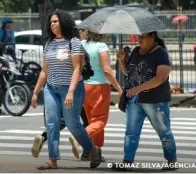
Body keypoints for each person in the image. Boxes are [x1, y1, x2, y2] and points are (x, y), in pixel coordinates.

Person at [31, 9, 102, 170]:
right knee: (51, 123)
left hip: (72, 89)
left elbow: (77, 69)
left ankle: (92, 149)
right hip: (51, 88)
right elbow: (44, 71)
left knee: (73, 124)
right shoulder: (49, 43)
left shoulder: (74, 42)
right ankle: (52, 160)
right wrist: (35, 92)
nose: (53, 24)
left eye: (55, 21)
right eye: (51, 22)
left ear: (64, 22)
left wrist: (70, 92)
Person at [111, 31, 177, 171]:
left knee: (163, 131)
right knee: (131, 131)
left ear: (152, 37)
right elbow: (130, 73)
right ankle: (127, 161)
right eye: (138, 37)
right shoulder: (136, 51)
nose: (139, 40)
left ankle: (172, 160)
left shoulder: (161, 53)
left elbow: (160, 78)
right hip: (135, 100)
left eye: (142, 37)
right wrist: (122, 61)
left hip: (156, 100)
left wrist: (138, 88)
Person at [68, 27, 122, 161]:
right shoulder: (101, 46)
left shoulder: (81, 45)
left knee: (93, 121)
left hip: (83, 87)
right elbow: (107, 71)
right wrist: (119, 89)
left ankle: (96, 152)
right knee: (100, 121)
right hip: (99, 87)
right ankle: (78, 138)